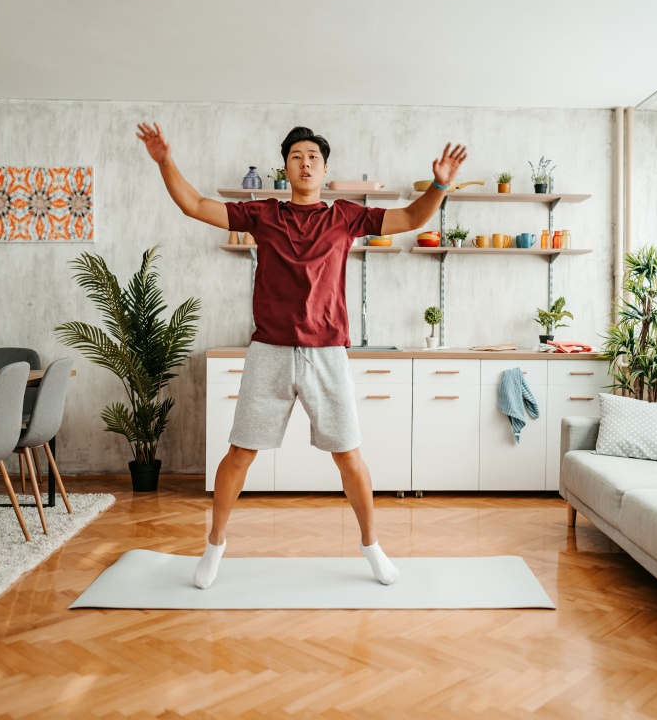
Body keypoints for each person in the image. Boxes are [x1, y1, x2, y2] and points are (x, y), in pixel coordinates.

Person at [137, 122, 467, 588]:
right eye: (296, 156)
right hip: (269, 351)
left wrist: (440, 183)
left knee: (349, 456)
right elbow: (194, 205)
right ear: (286, 167)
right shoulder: (263, 214)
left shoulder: (345, 217)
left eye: (313, 155)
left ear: (325, 168)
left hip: (327, 353)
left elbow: (412, 220)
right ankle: (214, 545)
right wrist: (164, 160)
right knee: (240, 453)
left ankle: (371, 546)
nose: (305, 162)